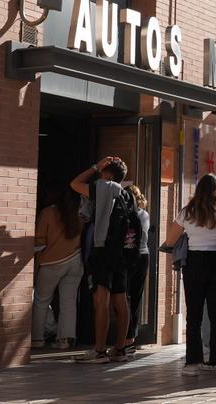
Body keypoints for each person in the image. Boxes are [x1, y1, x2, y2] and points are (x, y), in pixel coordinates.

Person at [161, 174, 216, 378]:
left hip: (194, 264)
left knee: (194, 317)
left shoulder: (187, 212)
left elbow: (170, 240)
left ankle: (192, 363)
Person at [69, 156, 134, 364]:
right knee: (120, 299)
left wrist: (96, 165)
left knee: (101, 300)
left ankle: (99, 351)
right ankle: (120, 348)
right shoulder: (126, 194)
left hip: (102, 249)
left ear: (107, 172)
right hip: (121, 252)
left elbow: (74, 184)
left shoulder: (102, 187)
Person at [32, 185, 84, 350]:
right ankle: (65, 340)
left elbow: (39, 241)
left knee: (41, 300)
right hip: (76, 261)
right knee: (68, 301)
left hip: (51, 262)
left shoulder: (47, 213)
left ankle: (37, 339)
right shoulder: (79, 214)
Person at [119, 184, 151, 357]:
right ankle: (129, 339)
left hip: (132, 257)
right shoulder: (144, 214)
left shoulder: (131, 215)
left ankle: (127, 339)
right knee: (134, 298)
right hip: (143, 256)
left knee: (125, 297)